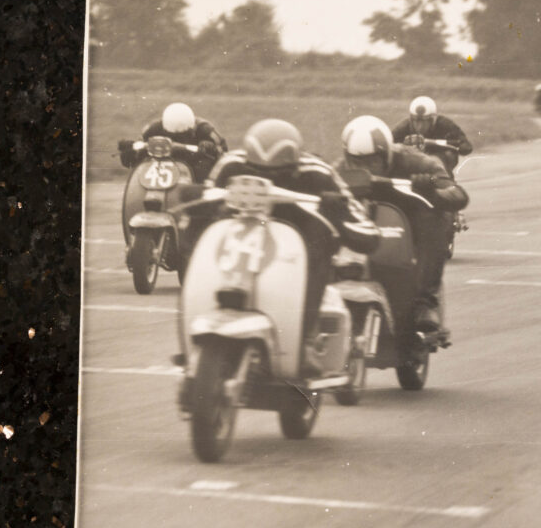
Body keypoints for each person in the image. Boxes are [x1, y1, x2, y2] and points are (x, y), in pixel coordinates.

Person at [196, 119, 380, 375]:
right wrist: (197, 201)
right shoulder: (231, 164)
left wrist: (336, 211)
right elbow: (205, 196)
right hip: (240, 242)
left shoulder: (319, 172)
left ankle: (303, 340)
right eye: (256, 171)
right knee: (198, 230)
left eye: (278, 174)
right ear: (247, 161)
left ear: (294, 165)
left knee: (321, 239)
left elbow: (367, 231)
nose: (267, 179)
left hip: (296, 250)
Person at [336, 115, 469, 334]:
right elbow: (320, 185)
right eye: (357, 162)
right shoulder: (341, 169)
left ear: (387, 155)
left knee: (438, 218)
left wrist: (430, 188)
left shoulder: (413, 160)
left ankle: (427, 301)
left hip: (409, 220)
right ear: (348, 157)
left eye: (373, 162)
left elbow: (455, 192)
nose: (366, 169)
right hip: (364, 219)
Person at [117, 102, 228, 182]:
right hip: (162, 162)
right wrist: (129, 148)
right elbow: (139, 147)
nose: (177, 138)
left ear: (192, 127)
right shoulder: (152, 129)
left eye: (182, 135)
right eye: (172, 135)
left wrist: (210, 147)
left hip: (193, 161)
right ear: (164, 127)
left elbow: (223, 149)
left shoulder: (206, 129)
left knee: (204, 166)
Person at [390, 96, 473, 176]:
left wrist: (431, 142)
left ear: (433, 120)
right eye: (416, 121)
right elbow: (387, 144)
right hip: (412, 162)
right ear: (411, 120)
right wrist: (402, 147)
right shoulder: (404, 126)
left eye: (424, 122)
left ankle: (445, 179)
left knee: (449, 154)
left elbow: (467, 147)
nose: (420, 126)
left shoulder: (445, 124)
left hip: (440, 161)